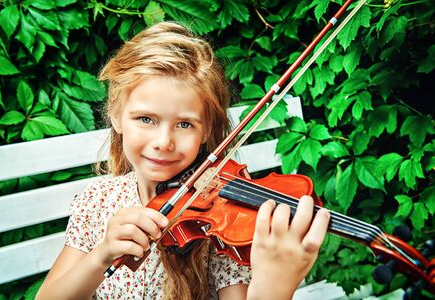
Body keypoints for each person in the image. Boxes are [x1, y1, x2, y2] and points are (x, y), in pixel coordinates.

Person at [36, 22, 330, 300]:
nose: (164, 141)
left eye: (185, 124)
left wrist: (273, 286)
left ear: (207, 131)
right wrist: (102, 254)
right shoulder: (98, 202)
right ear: (116, 116)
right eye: (146, 119)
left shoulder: (215, 228)